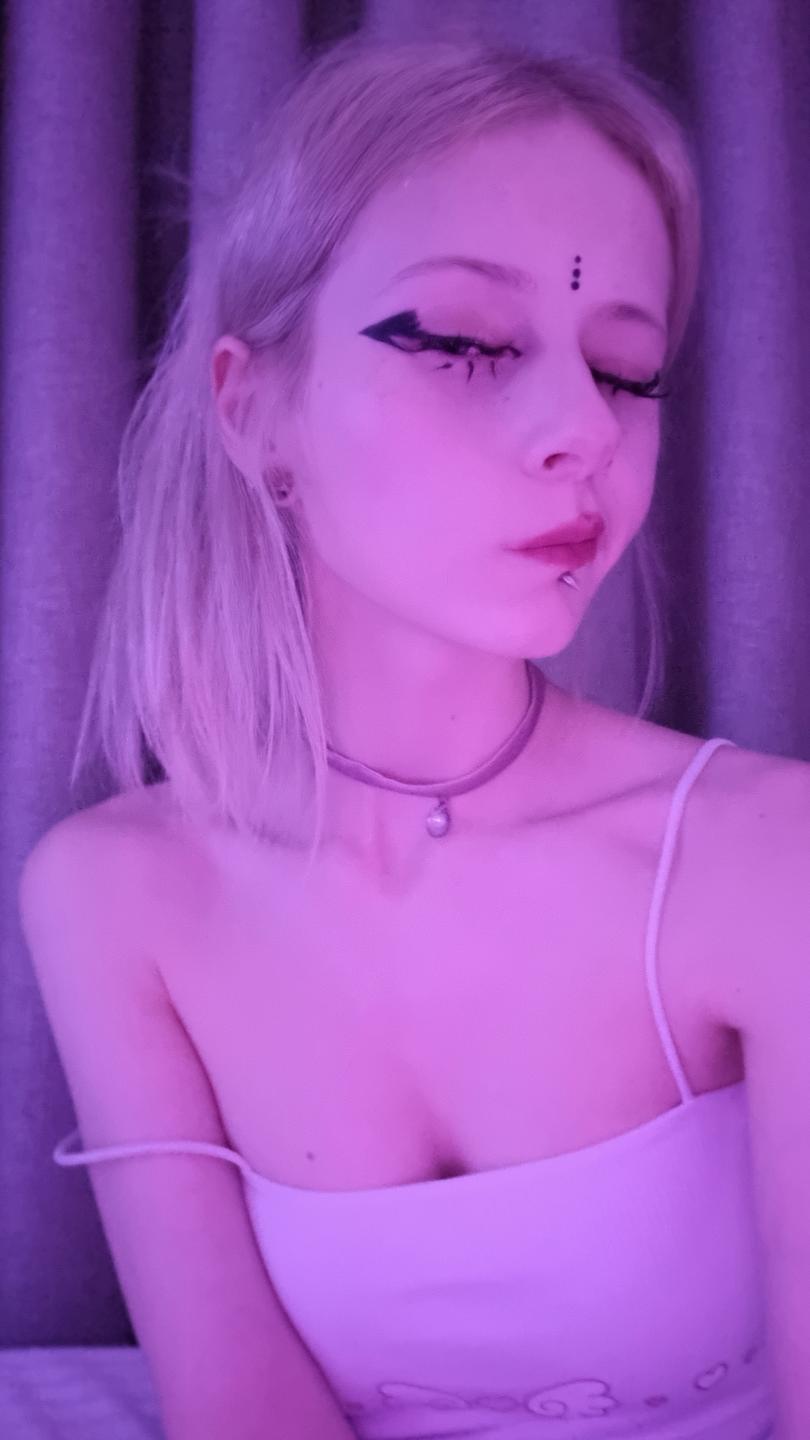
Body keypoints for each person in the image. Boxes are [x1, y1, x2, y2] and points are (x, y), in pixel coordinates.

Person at [20, 33, 784, 1440]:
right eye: (466, 345)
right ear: (254, 408)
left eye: (626, 371)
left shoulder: (766, 860)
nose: (583, 431)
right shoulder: (114, 894)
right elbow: (241, 1413)